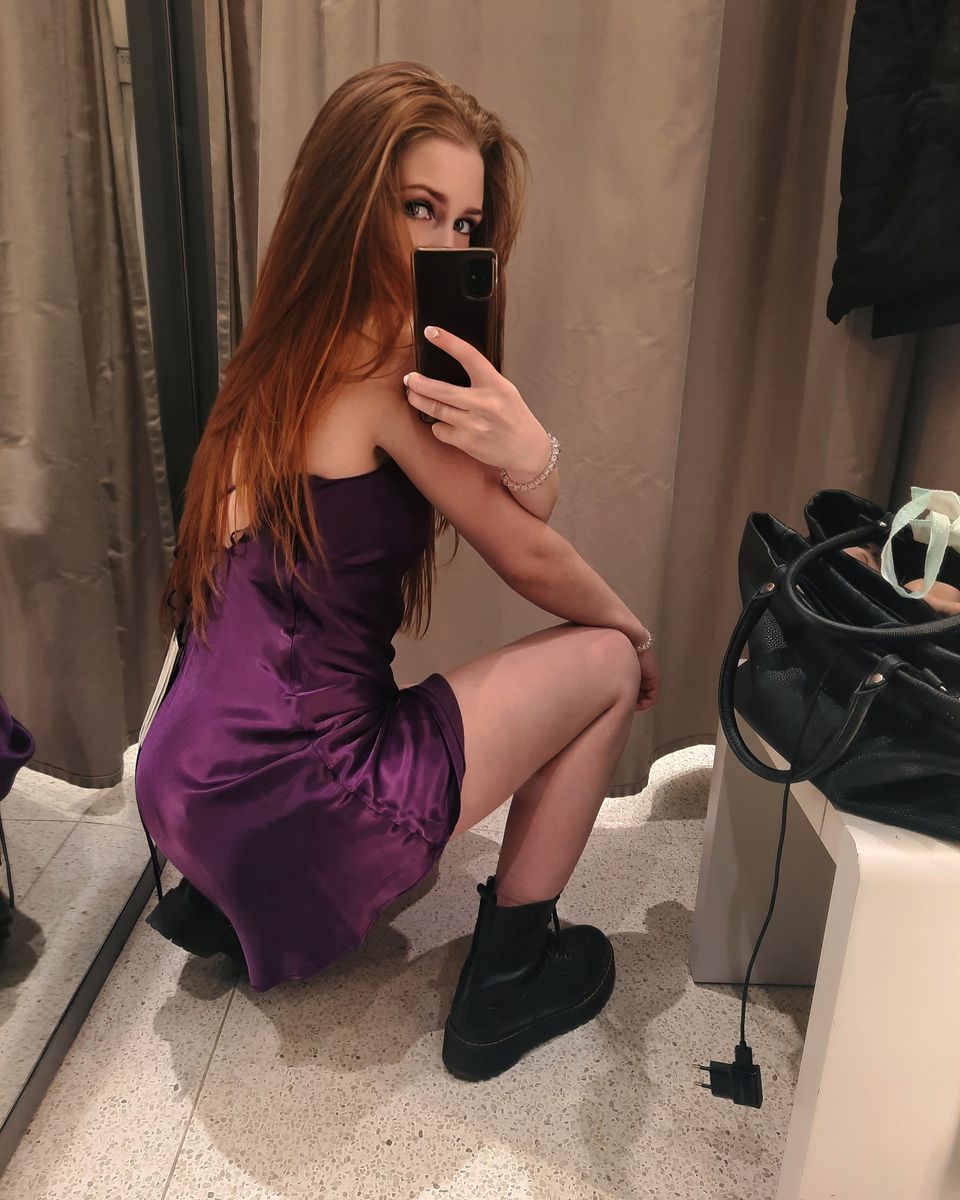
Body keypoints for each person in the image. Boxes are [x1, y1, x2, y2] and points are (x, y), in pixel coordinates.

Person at [135, 60, 660, 1082]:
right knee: (601, 663)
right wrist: (635, 636)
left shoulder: (271, 357)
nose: (447, 247)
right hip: (293, 787)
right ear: (349, 200)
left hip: (181, 778)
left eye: (466, 225)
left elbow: (513, 510)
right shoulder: (379, 368)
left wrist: (530, 461)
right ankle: (510, 982)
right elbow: (529, 551)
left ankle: (236, 896)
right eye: (420, 208)